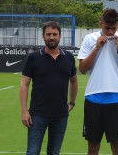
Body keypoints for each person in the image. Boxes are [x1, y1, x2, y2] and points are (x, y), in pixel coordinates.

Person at [77, 8, 118, 155]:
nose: (110, 32)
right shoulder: (90, 39)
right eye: (107, 28)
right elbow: (82, 69)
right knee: (93, 146)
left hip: (115, 98)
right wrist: (97, 48)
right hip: (93, 97)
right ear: (100, 23)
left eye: (114, 28)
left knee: (117, 147)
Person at [20, 21, 78, 155]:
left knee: (54, 152)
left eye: (55, 34)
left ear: (60, 36)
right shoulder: (33, 57)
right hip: (37, 115)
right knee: (33, 152)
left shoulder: (68, 57)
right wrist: (24, 111)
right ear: (43, 36)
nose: (51, 37)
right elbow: (24, 84)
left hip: (61, 115)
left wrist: (72, 102)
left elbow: (74, 80)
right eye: (48, 34)